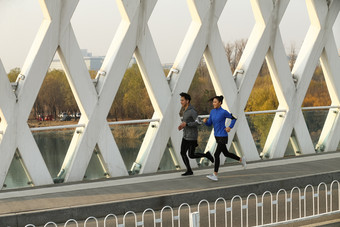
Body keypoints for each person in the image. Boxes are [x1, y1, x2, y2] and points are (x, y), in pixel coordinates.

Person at [203, 95, 246, 181]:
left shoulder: (223, 112)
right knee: (226, 153)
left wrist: (230, 127)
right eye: (213, 102)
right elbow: (209, 124)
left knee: (216, 154)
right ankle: (241, 159)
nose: (213, 103)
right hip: (217, 136)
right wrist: (205, 122)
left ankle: (215, 175)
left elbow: (234, 118)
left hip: (223, 135)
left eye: (215, 102)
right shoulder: (212, 112)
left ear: (220, 103)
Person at [178, 92, 214, 176]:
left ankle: (189, 170)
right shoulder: (185, 110)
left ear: (187, 101)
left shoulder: (192, 111)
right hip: (186, 135)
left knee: (183, 153)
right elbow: (187, 122)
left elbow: (198, 122)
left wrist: (187, 124)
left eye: (182, 100)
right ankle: (206, 155)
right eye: (180, 100)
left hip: (191, 136)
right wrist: (182, 126)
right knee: (191, 155)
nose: (181, 102)